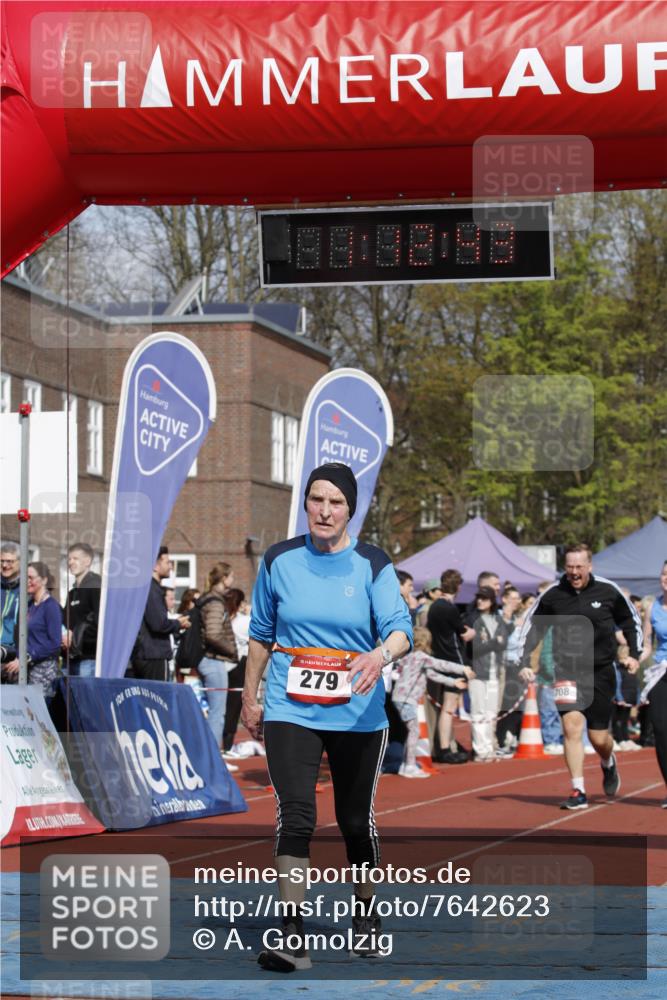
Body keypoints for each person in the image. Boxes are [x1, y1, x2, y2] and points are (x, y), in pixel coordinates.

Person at [241, 462, 412, 972]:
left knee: (355, 821)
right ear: (305, 504)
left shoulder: (372, 563)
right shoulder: (279, 559)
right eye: (316, 499)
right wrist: (250, 698)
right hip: (290, 706)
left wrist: (379, 655)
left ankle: (365, 911)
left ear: (349, 511)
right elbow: (260, 634)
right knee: (295, 813)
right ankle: (292, 933)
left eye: (336, 502)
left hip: (357, 711)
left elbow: (401, 629)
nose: (324, 510)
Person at [519, 544, 642, 810]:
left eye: (579, 567)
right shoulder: (553, 594)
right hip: (567, 670)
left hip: (601, 671)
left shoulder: (608, 590)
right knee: (571, 727)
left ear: (589, 566)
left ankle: (608, 761)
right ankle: (578, 790)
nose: (574, 572)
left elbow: (630, 621)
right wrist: (524, 659)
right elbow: (532, 627)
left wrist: (634, 653)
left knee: (598, 738)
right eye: (569, 567)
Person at [392, 627, 473, 777]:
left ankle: (406, 764)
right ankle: (409, 765)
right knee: (414, 731)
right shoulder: (421, 657)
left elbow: (432, 674)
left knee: (411, 731)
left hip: (401, 698)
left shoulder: (410, 658)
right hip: (407, 699)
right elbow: (440, 664)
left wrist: (453, 682)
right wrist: (462, 669)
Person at [426, 569, 475, 764]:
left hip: (439, 658)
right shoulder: (449, 608)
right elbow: (464, 633)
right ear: (458, 587)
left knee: (444, 707)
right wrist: (472, 632)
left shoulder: (434, 607)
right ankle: (445, 748)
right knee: (448, 707)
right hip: (454, 660)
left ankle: (445, 746)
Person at [464, 586, 511, 761]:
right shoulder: (471, 618)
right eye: (478, 597)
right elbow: (476, 648)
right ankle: (480, 750)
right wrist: (493, 642)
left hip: (494, 671)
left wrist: (493, 642)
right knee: (478, 711)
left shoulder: (497, 619)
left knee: (491, 712)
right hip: (477, 671)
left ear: (491, 601)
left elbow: (504, 642)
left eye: (484, 598)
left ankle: (490, 747)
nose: (480, 601)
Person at [131, 546, 190, 681]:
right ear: (155, 566)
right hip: (153, 655)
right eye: (167, 562)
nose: (171, 566)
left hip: (145, 653)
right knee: (157, 694)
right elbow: (158, 624)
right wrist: (178, 623)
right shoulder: (152, 589)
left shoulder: (146, 587)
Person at [5, 562, 63, 700]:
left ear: (44, 580)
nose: (27, 581)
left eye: (31, 577)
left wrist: (28, 656)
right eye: (25, 578)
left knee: (38, 711)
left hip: (44, 672)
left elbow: (55, 643)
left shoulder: (51, 606)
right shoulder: (28, 605)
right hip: (26, 670)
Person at [198, 563, 238, 752]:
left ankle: (208, 754)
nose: (233, 580)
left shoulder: (206, 598)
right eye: (231, 576)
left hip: (206, 659)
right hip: (213, 660)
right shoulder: (215, 602)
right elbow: (213, 634)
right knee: (217, 713)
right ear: (224, 578)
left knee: (211, 711)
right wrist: (231, 650)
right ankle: (213, 757)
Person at [640, 559, 667, 808]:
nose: (666, 578)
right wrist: (635, 659)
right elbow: (648, 644)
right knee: (660, 729)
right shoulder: (653, 607)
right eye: (664, 574)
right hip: (661, 671)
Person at [62, 542, 101, 677]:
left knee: (86, 691)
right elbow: (66, 621)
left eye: (75, 558)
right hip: (71, 657)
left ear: (87, 561)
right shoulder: (72, 592)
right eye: (69, 559)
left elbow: (100, 623)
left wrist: (75, 638)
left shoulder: (96, 587)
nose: (70, 562)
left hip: (89, 658)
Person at [222, 588, 251, 754]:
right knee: (233, 707)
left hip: (225, 665)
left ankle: (224, 744)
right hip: (239, 664)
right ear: (240, 603)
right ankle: (227, 746)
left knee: (224, 706)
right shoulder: (244, 621)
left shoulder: (225, 618)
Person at [1, 542, 20, 661]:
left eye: (9, 561)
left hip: (13, 655)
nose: (4, 565)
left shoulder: (27, 589)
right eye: (1, 561)